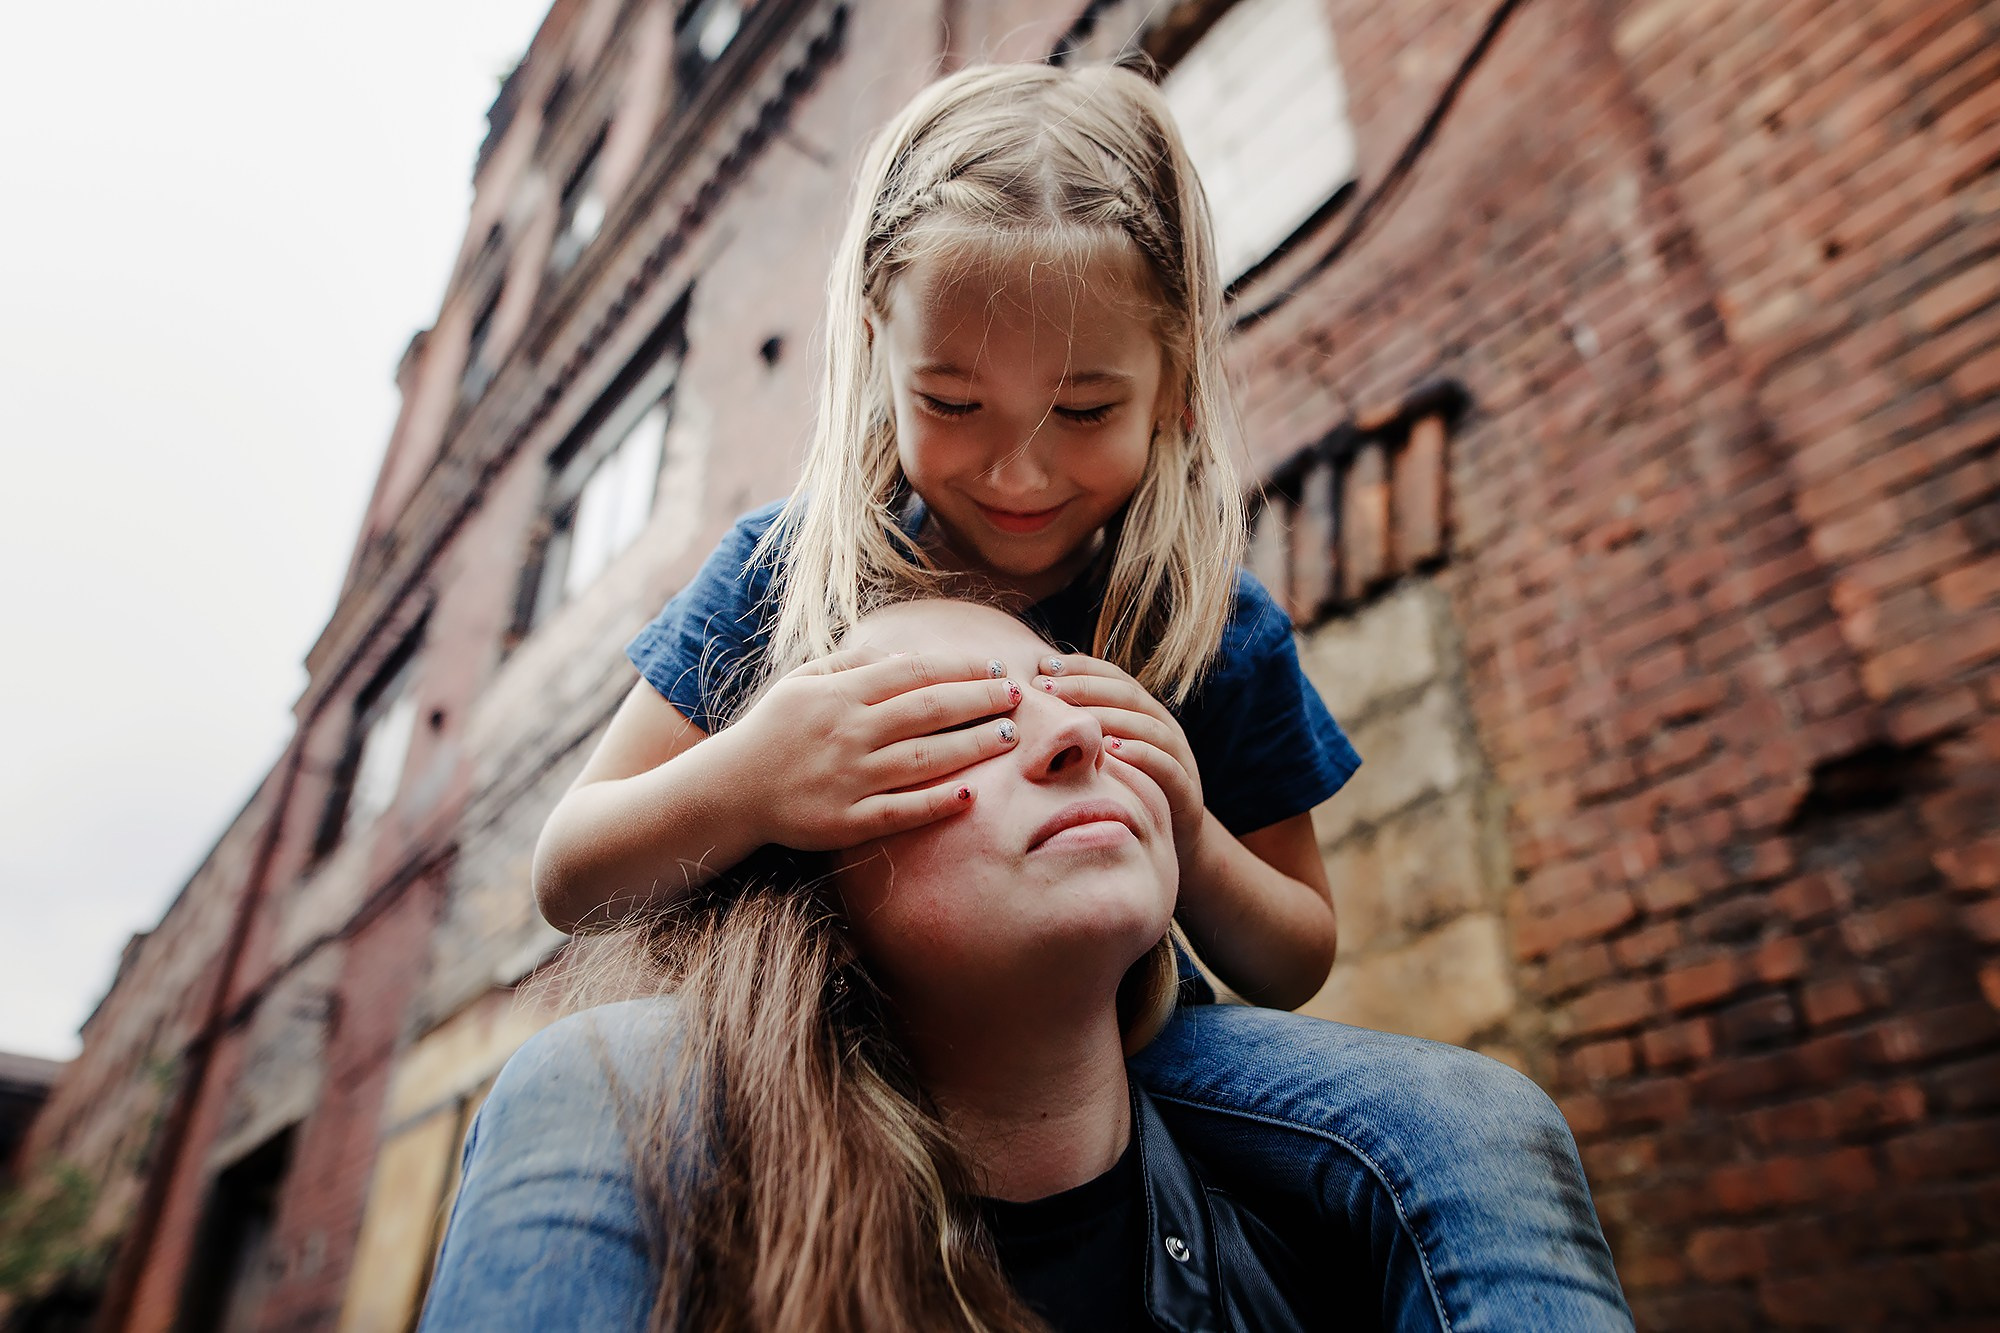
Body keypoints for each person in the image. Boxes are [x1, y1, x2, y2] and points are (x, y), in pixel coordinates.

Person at [527, 62, 1632, 1329]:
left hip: (1134, 1045)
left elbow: (1296, 955)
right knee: (577, 1081)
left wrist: (1189, 833)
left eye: (1084, 408)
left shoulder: (1206, 622)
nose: (1018, 469)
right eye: (951, 401)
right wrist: (753, 777)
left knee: (1471, 1119)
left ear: (1172, 385)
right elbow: (570, 872)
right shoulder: (783, 574)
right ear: (876, 351)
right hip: (815, 1029)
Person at [423, 600, 1472, 1330]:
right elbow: (567, 870)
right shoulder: (659, 1242)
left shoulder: (1365, 1268)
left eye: (1091, 700)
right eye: (962, 724)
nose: (1075, 737)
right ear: (816, 893)